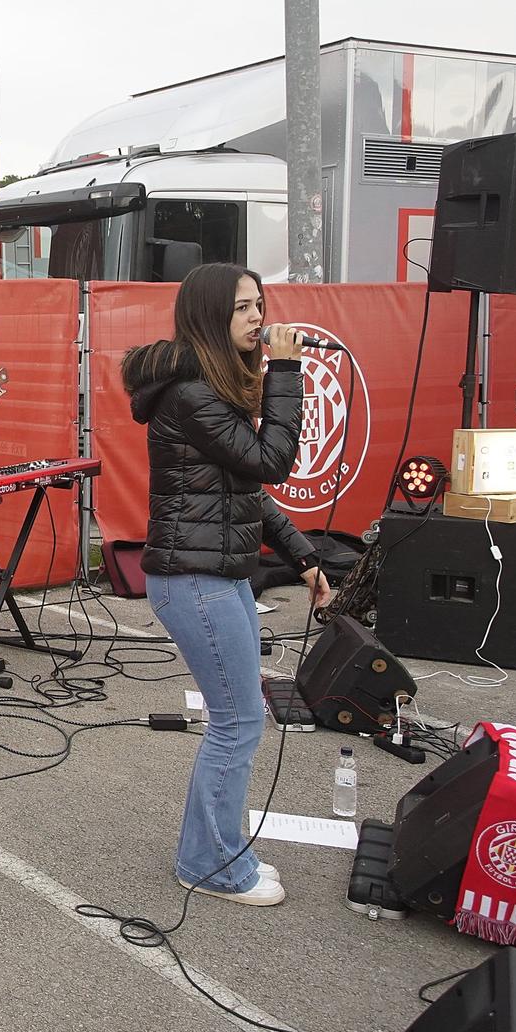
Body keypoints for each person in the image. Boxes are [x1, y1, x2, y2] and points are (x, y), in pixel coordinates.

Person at [121, 264, 332, 907]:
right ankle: (212, 866)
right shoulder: (192, 394)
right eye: (243, 308)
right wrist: (289, 374)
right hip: (194, 578)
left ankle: (207, 854)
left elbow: (248, 492)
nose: (258, 318)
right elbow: (273, 460)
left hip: (217, 573)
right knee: (237, 721)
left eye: (260, 304)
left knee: (237, 718)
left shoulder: (208, 387)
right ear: (212, 315)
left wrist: (304, 558)